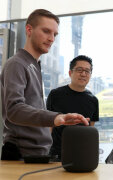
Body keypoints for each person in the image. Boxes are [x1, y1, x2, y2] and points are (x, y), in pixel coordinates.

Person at [0, 9, 89, 160]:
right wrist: (55, 118)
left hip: (37, 153)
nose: (51, 38)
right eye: (46, 31)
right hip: (21, 154)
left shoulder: (34, 65)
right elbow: (14, 109)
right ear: (29, 29)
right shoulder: (17, 64)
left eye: (55, 34)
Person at [47, 55, 99, 161]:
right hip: (57, 154)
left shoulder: (93, 100)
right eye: (79, 70)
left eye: (87, 71)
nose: (83, 74)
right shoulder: (55, 94)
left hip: (83, 154)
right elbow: (48, 124)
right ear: (70, 73)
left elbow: (90, 128)